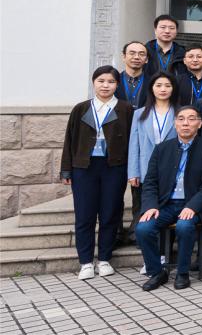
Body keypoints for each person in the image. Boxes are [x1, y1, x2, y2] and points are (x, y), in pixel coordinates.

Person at [61, 66, 134, 280]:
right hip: (84, 167)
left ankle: (104, 259)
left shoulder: (126, 109)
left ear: (117, 85)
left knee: (110, 213)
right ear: (93, 82)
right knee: (85, 214)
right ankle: (85, 262)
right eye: (101, 81)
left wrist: (132, 170)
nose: (105, 85)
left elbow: (132, 142)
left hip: (114, 167)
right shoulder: (81, 108)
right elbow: (69, 140)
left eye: (110, 82)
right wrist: (66, 169)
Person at [136, 106, 202, 291]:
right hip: (166, 205)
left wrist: (192, 206)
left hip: (194, 206)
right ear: (175, 124)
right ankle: (156, 272)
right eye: (181, 119)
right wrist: (150, 205)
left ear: (199, 124)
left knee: (184, 226)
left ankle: (182, 273)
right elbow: (150, 182)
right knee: (143, 228)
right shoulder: (162, 149)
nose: (186, 123)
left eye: (191, 119)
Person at [127, 72, 178, 254]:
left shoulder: (179, 113)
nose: (163, 89)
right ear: (151, 89)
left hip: (172, 169)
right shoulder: (140, 114)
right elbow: (134, 144)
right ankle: (147, 249)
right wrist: (133, 171)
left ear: (173, 89)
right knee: (144, 209)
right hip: (145, 168)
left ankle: (165, 250)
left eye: (167, 85)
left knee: (166, 210)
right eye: (158, 85)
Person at [117, 41, 150, 109]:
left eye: (141, 54)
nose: (136, 57)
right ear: (124, 57)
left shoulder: (153, 82)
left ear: (146, 59)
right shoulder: (114, 80)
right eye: (132, 53)